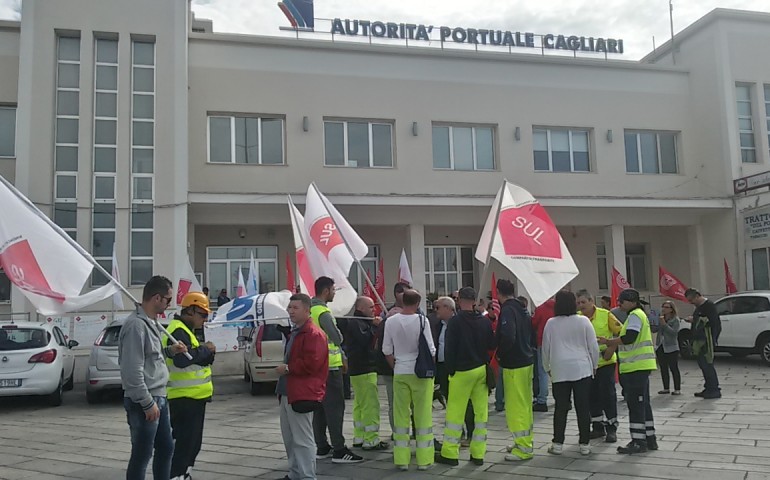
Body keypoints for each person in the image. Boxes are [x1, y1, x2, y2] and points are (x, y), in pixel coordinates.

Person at [119, 275, 188, 480]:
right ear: (156, 298)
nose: (169, 304)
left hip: (159, 396)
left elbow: (151, 357)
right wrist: (147, 403)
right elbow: (132, 370)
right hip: (146, 400)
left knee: (166, 448)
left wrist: (169, 351)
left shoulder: (150, 322)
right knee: (142, 455)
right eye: (168, 299)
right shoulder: (136, 326)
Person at [437, 287, 495, 467]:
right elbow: (491, 344)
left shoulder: (455, 322)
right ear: (474, 300)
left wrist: (450, 371)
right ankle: (478, 453)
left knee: (455, 413)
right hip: (480, 370)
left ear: (460, 299)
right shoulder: (484, 321)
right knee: (480, 413)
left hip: (461, 371)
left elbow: (449, 349)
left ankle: (450, 453)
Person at [275, 293, 329, 480]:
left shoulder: (313, 334)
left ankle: (307, 476)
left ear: (307, 310)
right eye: (289, 308)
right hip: (287, 392)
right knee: (290, 439)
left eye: (295, 308)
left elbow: (313, 364)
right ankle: (295, 473)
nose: (290, 311)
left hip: (301, 393)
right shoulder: (296, 332)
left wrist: (288, 368)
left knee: (303, 439)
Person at [310, 276, 363, 463]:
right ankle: (339, 450)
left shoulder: (310, 310)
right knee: (334, 408)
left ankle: (322, 446)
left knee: (319, 410)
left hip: (316, 367)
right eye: (333, 290)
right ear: (325, 291)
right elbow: (337, 337)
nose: (334, 293)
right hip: (330, 367)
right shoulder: (322, 312)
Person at [382, 289, 436, 471]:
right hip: (420, 373)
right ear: (418, 303)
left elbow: (386, 350)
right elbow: (431, 349)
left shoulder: (390, 321)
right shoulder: (422, 321)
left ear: (402, 301)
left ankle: (401, 459)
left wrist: (395, 365)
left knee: (400, 415)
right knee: (422, 415)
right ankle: (424, 459)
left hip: (400, 371)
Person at [599, 288, 657, 454]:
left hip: (636, 367)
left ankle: (638, 441)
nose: (619, 304)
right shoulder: (639, 314)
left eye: (622, 301)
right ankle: (650, 438)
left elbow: (629, 337)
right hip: (641, 366)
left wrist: (610, 342)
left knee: (636, 405)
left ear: (632, 302)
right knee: (644, 404)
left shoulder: (634, 316)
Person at [165, 292, 216, 480]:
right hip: (185, 397)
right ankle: (178, 475)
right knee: (185, 444)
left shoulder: (186, 331)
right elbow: (182, 359)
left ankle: (184, 474)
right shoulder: (178, 330)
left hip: (192, 397)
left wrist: (203, 352)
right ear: (191, 310)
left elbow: (195, 355)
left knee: (192, 444)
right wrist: (206, 350)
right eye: (202, 315)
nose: (204, 319)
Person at [542, 290, 600, 456]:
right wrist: (594, 365)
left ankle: (558, 443)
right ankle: (584, 444)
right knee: (583, 407)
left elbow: (545, 348)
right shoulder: (583, 321)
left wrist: (547, 367)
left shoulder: (551, 323)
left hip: (560, 369)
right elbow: (593, 347)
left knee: (561, 407)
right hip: (582, 368)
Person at [496, 279, 536, 462]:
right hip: (526, 359)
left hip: (513, 362)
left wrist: (500, 354)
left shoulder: (507, 310)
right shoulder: (522, 308)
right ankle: (524, 440)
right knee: (525, 404)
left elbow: (508, 335)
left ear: (499, 292)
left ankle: (523, 447)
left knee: (515, 406)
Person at [576, 290, 621, 443]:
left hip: (605, 362)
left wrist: (611, 348)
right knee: (591, 396)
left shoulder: (605, 314)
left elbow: (621, 333)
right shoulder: (578, 318)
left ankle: (611, 428)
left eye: (583, 302)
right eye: (578, 303)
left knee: (607, 395)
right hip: (587, 364)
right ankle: (597, 427)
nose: (580, 306)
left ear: (591, 301)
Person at [346, 296, 388, 450]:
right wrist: (375, 326)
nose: (374, 310)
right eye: (371, 307)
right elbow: (367, 341)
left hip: (358, 369)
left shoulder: (357, 322)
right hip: (365, 368)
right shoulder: (359, 323)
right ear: (361, 308)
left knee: (360, 404)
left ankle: (360, 435)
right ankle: (371, 439)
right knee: (370, 405)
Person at [684, 288, 721, 399]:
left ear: (697, 296)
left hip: (706, 341)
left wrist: (713, 339)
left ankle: (714, 389)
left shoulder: (709, 306)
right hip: (699, 341)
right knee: (703, 365)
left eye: (691, 300)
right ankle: (708, 387)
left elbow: (713, 323)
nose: (691, 303)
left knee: (707, 365)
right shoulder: (698, 308)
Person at [531, 295, 555, 412]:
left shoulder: (540, 308)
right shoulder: (558, 307)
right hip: (557, 342)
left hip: (542, 342)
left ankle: (542, 400)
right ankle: (563, 399)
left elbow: (534, 323)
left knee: (543, 371)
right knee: (557, 371)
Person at [433, 296, 456, 409]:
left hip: (455, 366)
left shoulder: (458, 323)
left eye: (438, 307)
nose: (436, 310)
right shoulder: (437, 325)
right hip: (442, 366)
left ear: (447, 308)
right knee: (446, 393)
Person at [655, 301, 681, 395]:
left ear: (671, 309)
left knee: (674, 368)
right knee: (663, 367)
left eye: (666, 307)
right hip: (661, 345)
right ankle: (666, 387)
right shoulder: (661, 318)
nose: (664, 309)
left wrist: (664, 324)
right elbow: (655, 330)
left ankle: (677, 388)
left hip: (671, 347)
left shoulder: (675, 320)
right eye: (663, 306)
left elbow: (674, 333)